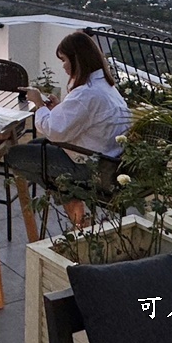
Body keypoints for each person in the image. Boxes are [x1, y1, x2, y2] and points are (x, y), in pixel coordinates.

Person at [16, 30, 131, 225]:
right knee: (36, 146)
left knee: (16, 156)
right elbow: (82, 121)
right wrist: (59, 108)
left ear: (76, 59)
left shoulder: (87, 93)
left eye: (64, 60)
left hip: (90, 166)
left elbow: (54, 131)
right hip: (109, 159)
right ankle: (76, 211)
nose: (63, 66)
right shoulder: (105, 86)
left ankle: (80, 220)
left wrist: (39, 104)